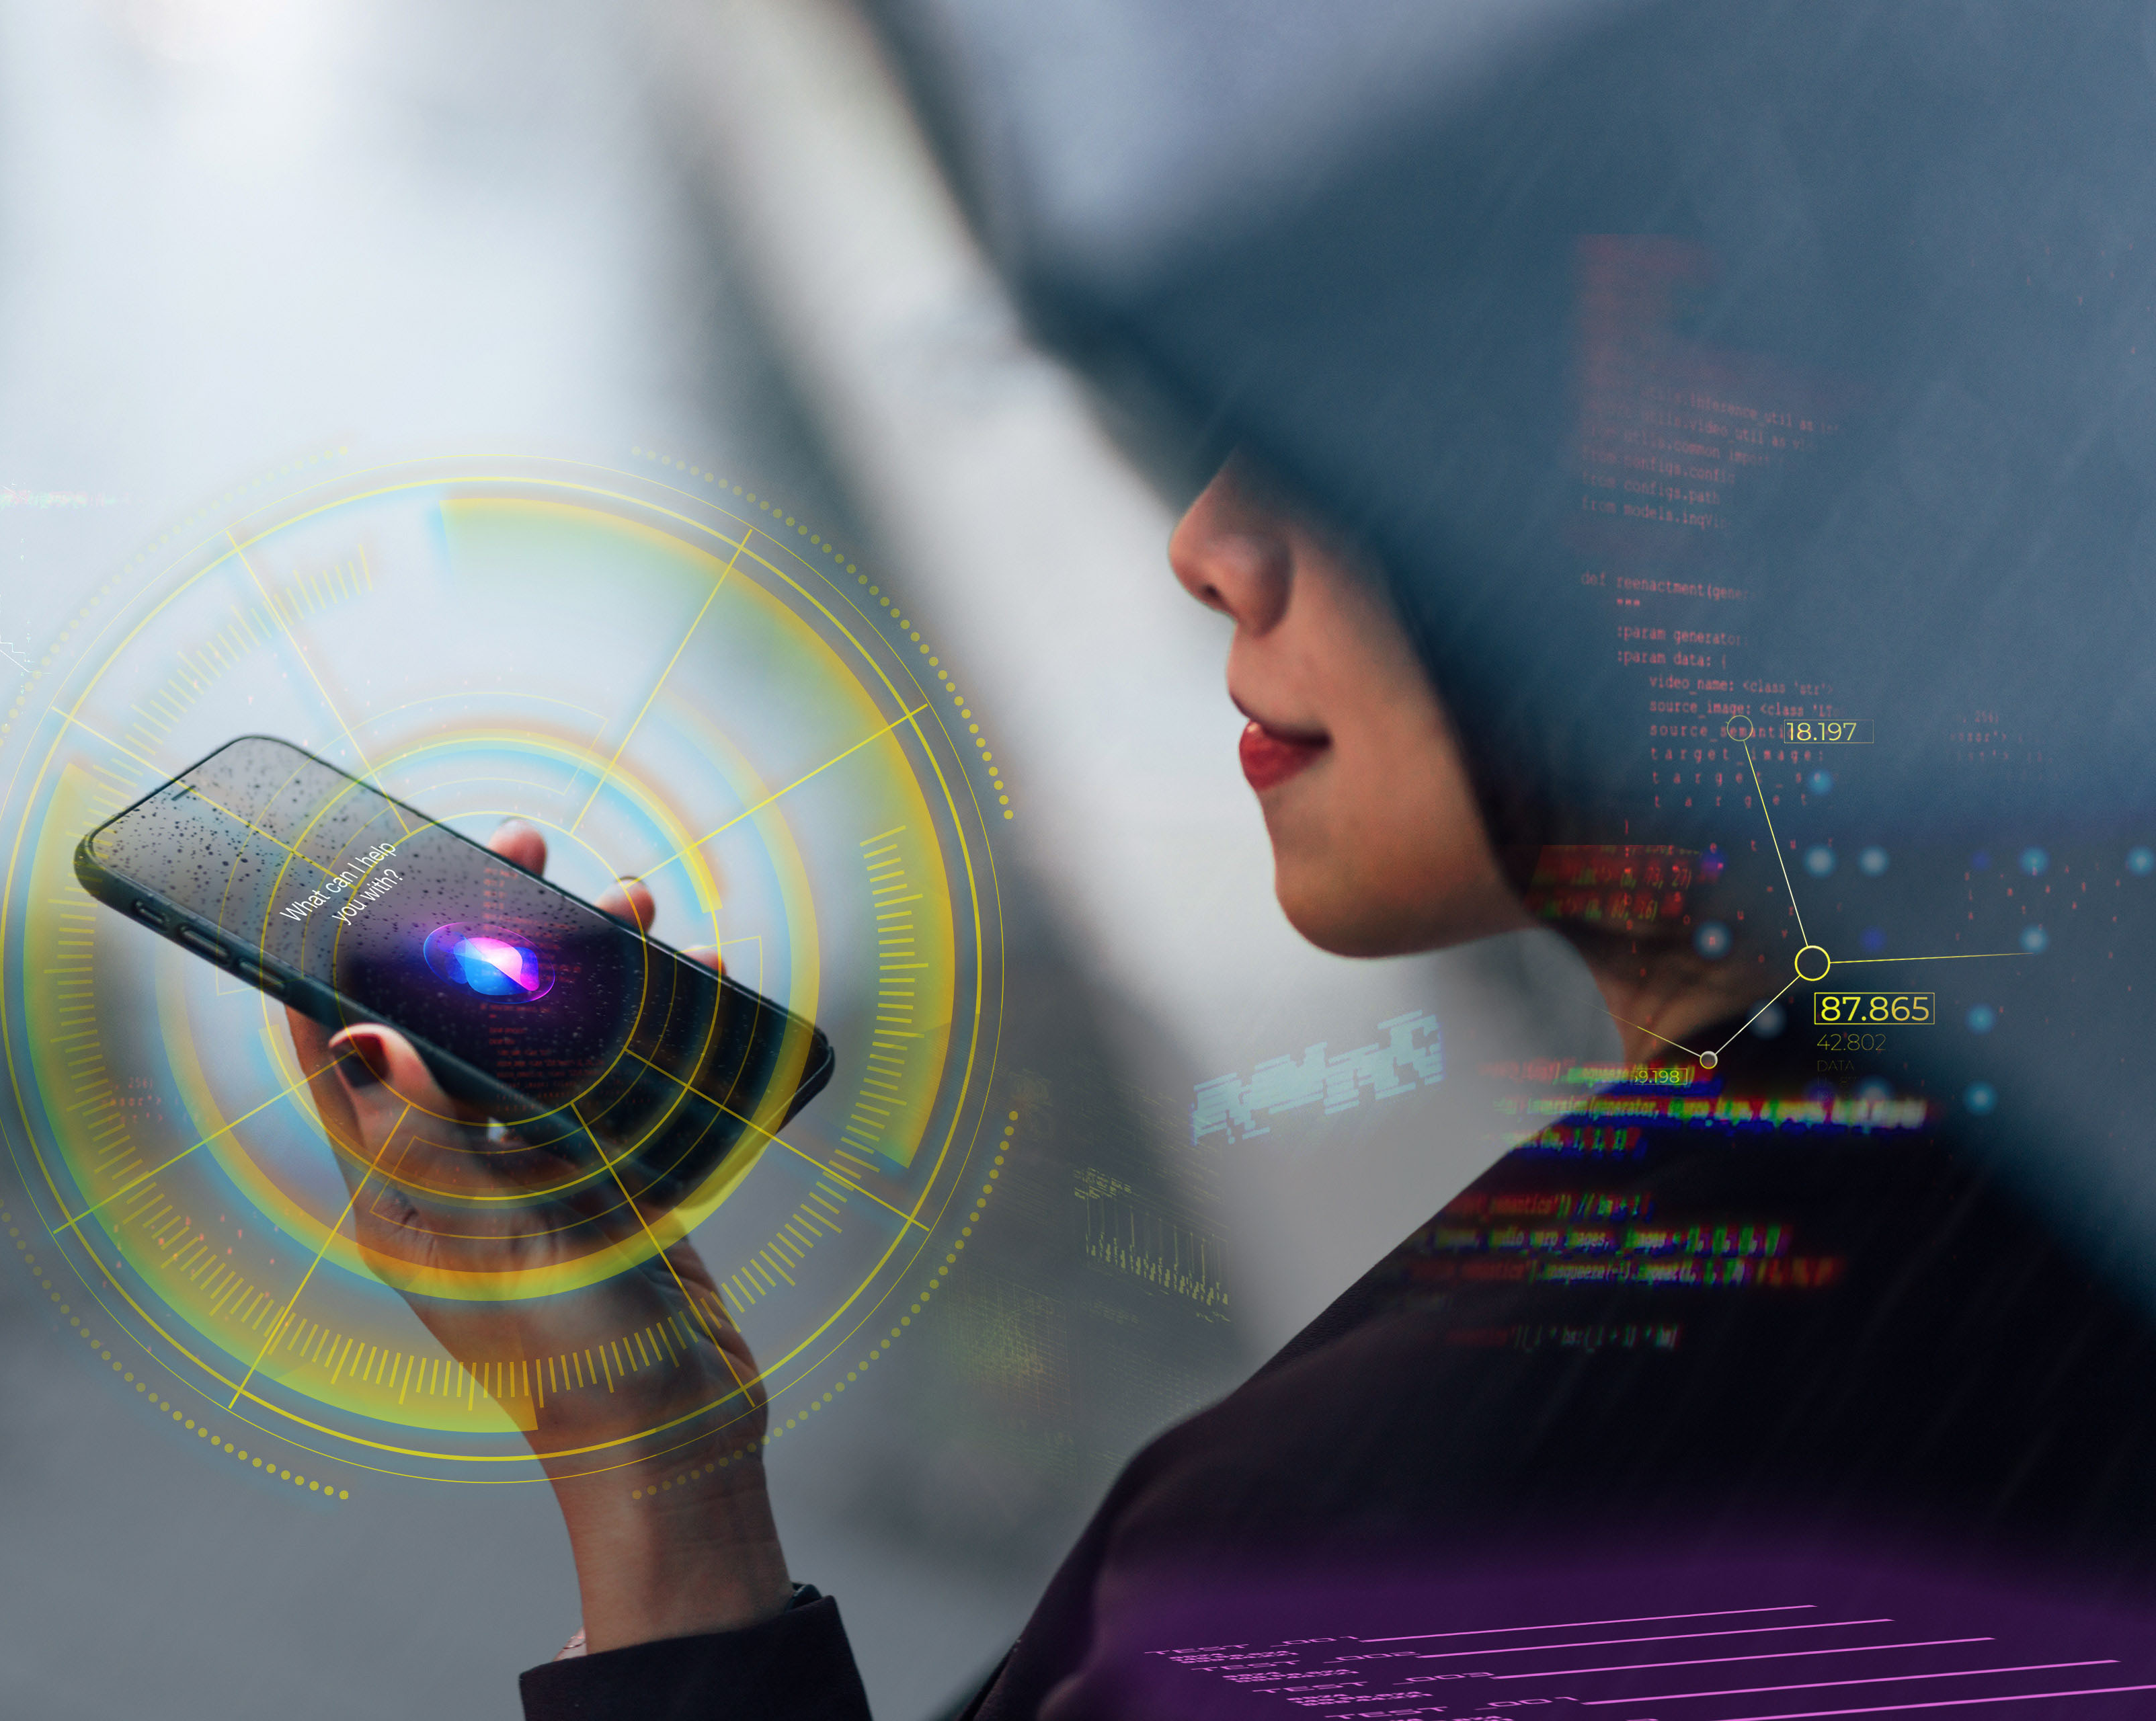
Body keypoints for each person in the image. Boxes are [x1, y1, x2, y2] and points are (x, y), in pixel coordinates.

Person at [296, 2, 2156, 1713]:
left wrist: (653, 1534)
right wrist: (664, 1477)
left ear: (1744, 477)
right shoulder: (2027, 1188)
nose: (1211, 543)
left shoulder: (1381, 1554)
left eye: (1366, 437)